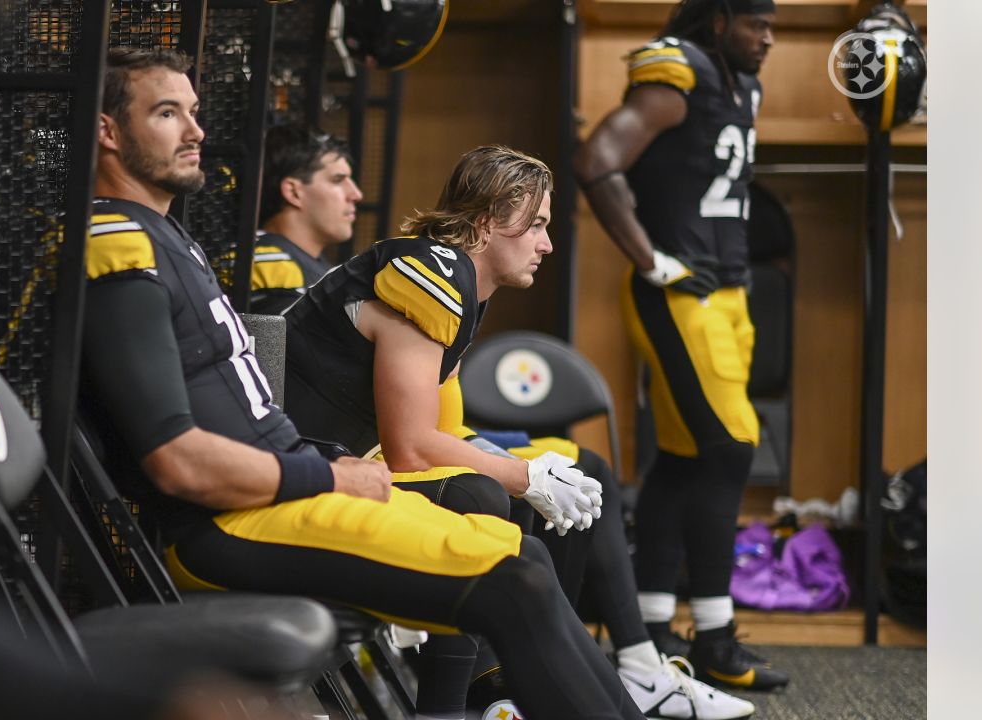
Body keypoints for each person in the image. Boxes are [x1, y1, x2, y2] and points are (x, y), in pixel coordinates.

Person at [76, 46, 646, 720]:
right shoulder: (119, 244)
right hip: (224, 522)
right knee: (511, 569)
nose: (197, 131)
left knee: (523, 556)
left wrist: (331, 466)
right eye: (168, 112)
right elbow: (177, 460)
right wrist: (332, 475)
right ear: (108, 131)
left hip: (282, 484)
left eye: (194, 113)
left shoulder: (164, 235)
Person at [283, 146, 753, 720]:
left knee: (536, 492)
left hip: (337, 456)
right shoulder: (437, 270)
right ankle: (468, 703)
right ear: (487, 222)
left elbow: (444, 429)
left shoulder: (460, 280)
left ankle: (511, 696)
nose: (547, 244)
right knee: (479, 494)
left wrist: (531, 475)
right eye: (536, 225)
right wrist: (521, 472)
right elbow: (409, 447)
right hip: (296, 467)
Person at [574, 0, 789, 691]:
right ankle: (717, 636)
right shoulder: (679, 73)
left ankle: (653, 624)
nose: (769, 38)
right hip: (680, 291)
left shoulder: (738, 83)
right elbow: (597, 158)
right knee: (731, 447)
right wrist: (650, 259)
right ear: (720, 18)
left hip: (726, 289)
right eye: (759, 23)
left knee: (684, 452)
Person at [250, 123, 362, 315]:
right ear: (294, 191)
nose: (356, 194)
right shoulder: (266, 260)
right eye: (337, 180)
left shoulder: (305, 262)